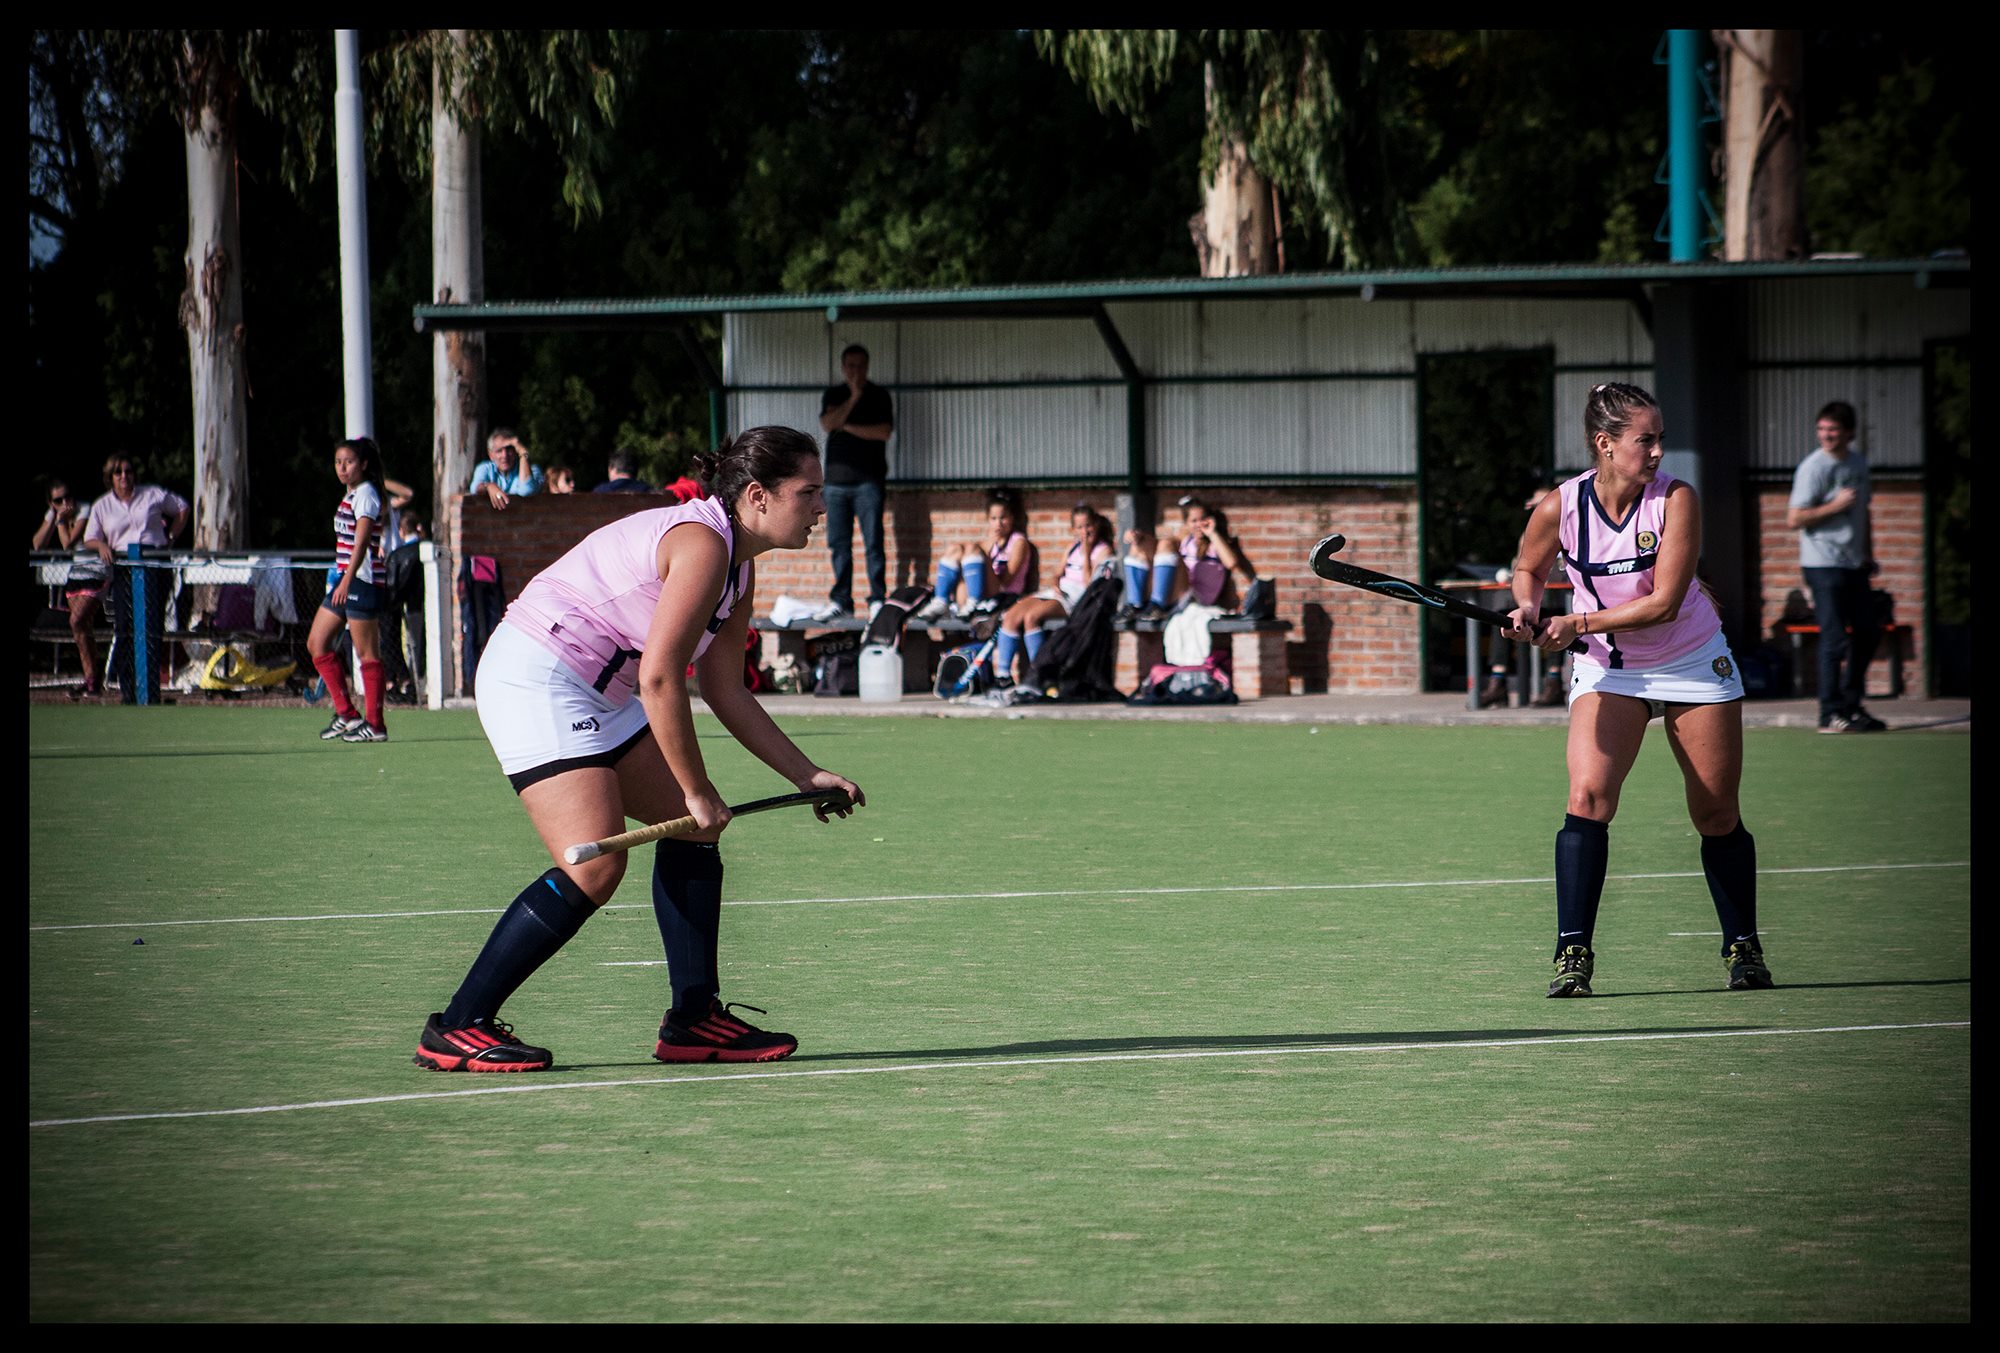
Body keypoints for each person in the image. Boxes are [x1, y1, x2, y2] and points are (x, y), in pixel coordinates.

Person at [412, 426, 864, 1073]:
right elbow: (659, 679)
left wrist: (806, 773)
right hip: (539, 673)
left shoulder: (736, 566)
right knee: (595, 867)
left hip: (598, 686)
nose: (822, 507)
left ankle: (693, 1020)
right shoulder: (704, 546)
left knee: (695, 834)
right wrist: (698, 790)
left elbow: (725, 690)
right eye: (810, 492)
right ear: (759, 496)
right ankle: (456, 1025)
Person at [1502, 382, 1769, 999]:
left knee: (1715, 811)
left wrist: (1576, 623)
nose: (1655, 451)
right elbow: (1529, 569)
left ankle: (1743, 947)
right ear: (1606, 444)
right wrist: (1526, 608)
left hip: (1691, 658)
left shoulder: (1676, 500)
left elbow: (1666, 603)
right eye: (1644, 440)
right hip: (1608, 666)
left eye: (1658, 440)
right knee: (1588, 796)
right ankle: (1573, 956)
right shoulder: (1560, 506)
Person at [1787, 400, 1885, 734]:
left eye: (1833, 430)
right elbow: (1795, 517)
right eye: (1822, 430)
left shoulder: (1858, 464)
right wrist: (1835, 505)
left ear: (1850, 433)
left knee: (1869, 632)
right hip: (1821, 563)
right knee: (1834, 638)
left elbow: (1864, 513)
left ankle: (1852, 705)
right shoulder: (1813, 468)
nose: (1827, 436)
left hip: (1853, 563)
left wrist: (1867, 554)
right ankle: (1829, 714)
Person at [81, 455, 189, 704]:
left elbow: (181, 507)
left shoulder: (151, 494)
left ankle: (151, 689)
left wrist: (171, 537)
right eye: (118, 472)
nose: (124, 476)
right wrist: (100, 546)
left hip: (153, 563)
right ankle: (128, 690)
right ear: (110, 477)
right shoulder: (103, 505)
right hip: (124, 566)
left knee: (152, 625)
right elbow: (90, 537)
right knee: (125, 627)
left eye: (128, 471)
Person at [309, 437, 393, 743]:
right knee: (317, 643)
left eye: (349, 462)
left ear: (364, 465)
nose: (342, 468)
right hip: (347, 579)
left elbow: (362, 542)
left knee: (366, 654)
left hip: (362, 580)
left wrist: (346, 579)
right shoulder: (354, 494)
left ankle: (375, 724)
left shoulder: (367, 494)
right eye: (338, 462)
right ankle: (346, 714)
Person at [993, 504, 1114, 687]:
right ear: (1073, 529)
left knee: (1032, 617)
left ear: (1095, 525)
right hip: (1059, 592)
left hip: (1077, 597)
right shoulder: (1072, 548)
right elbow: (1058, 572)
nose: (1084, 531)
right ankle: (1003, 676)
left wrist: (1087, 552)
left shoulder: (1103, 550)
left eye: (1088, 526)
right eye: (1079, 527)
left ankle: (1038, 673)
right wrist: (1056, 583)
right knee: (1012, 614)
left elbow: (1090, 584)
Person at [818, 343, 893, 617]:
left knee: (873, 542)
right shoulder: (834, 394)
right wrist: (852, 398)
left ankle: (876, 598)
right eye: (850, 366)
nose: (855, 370)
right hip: (836, 483)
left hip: (868, 482)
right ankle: (842, 600)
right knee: (839, 544)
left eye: (860, 366)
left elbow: (883, 431)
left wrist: (847, 426)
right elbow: (828, 424)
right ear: (843, 367)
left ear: (867, 366)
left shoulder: (880, 396)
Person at [915, 485, 1036, 622]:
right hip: (982, 594)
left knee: (972, 549)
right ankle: (941, 601)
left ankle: (974, 601)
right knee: (956, 549)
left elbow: (1005, 582)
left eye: (1003, 518)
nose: (998, 524)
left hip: (1004, 596)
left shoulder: (1018, 542)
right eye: (993, 518)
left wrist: (985, 558)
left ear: (1012, 518)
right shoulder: (987, 543)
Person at [35, 480, 109, 696]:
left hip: (96, 571)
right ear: (51, 503)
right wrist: (53, 518)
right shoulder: (57, 514)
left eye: (68, 497)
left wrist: (60, 520)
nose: (65, 502)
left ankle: (95, 677)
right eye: (58, 500)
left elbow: (68, 544)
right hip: (75, 574)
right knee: (81, 628)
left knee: (76, 620)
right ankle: (92, 680)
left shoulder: (85, 509)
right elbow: (38, 544)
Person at [470, 428, 545, 510]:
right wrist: (488, 486)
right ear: (491, 454)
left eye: (509, 449)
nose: (505, 455)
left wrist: (523, 454)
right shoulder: (485, 468)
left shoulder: (533, 469)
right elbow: (475, 488)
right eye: (499, 451)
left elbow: (526, 490)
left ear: (516, 451)